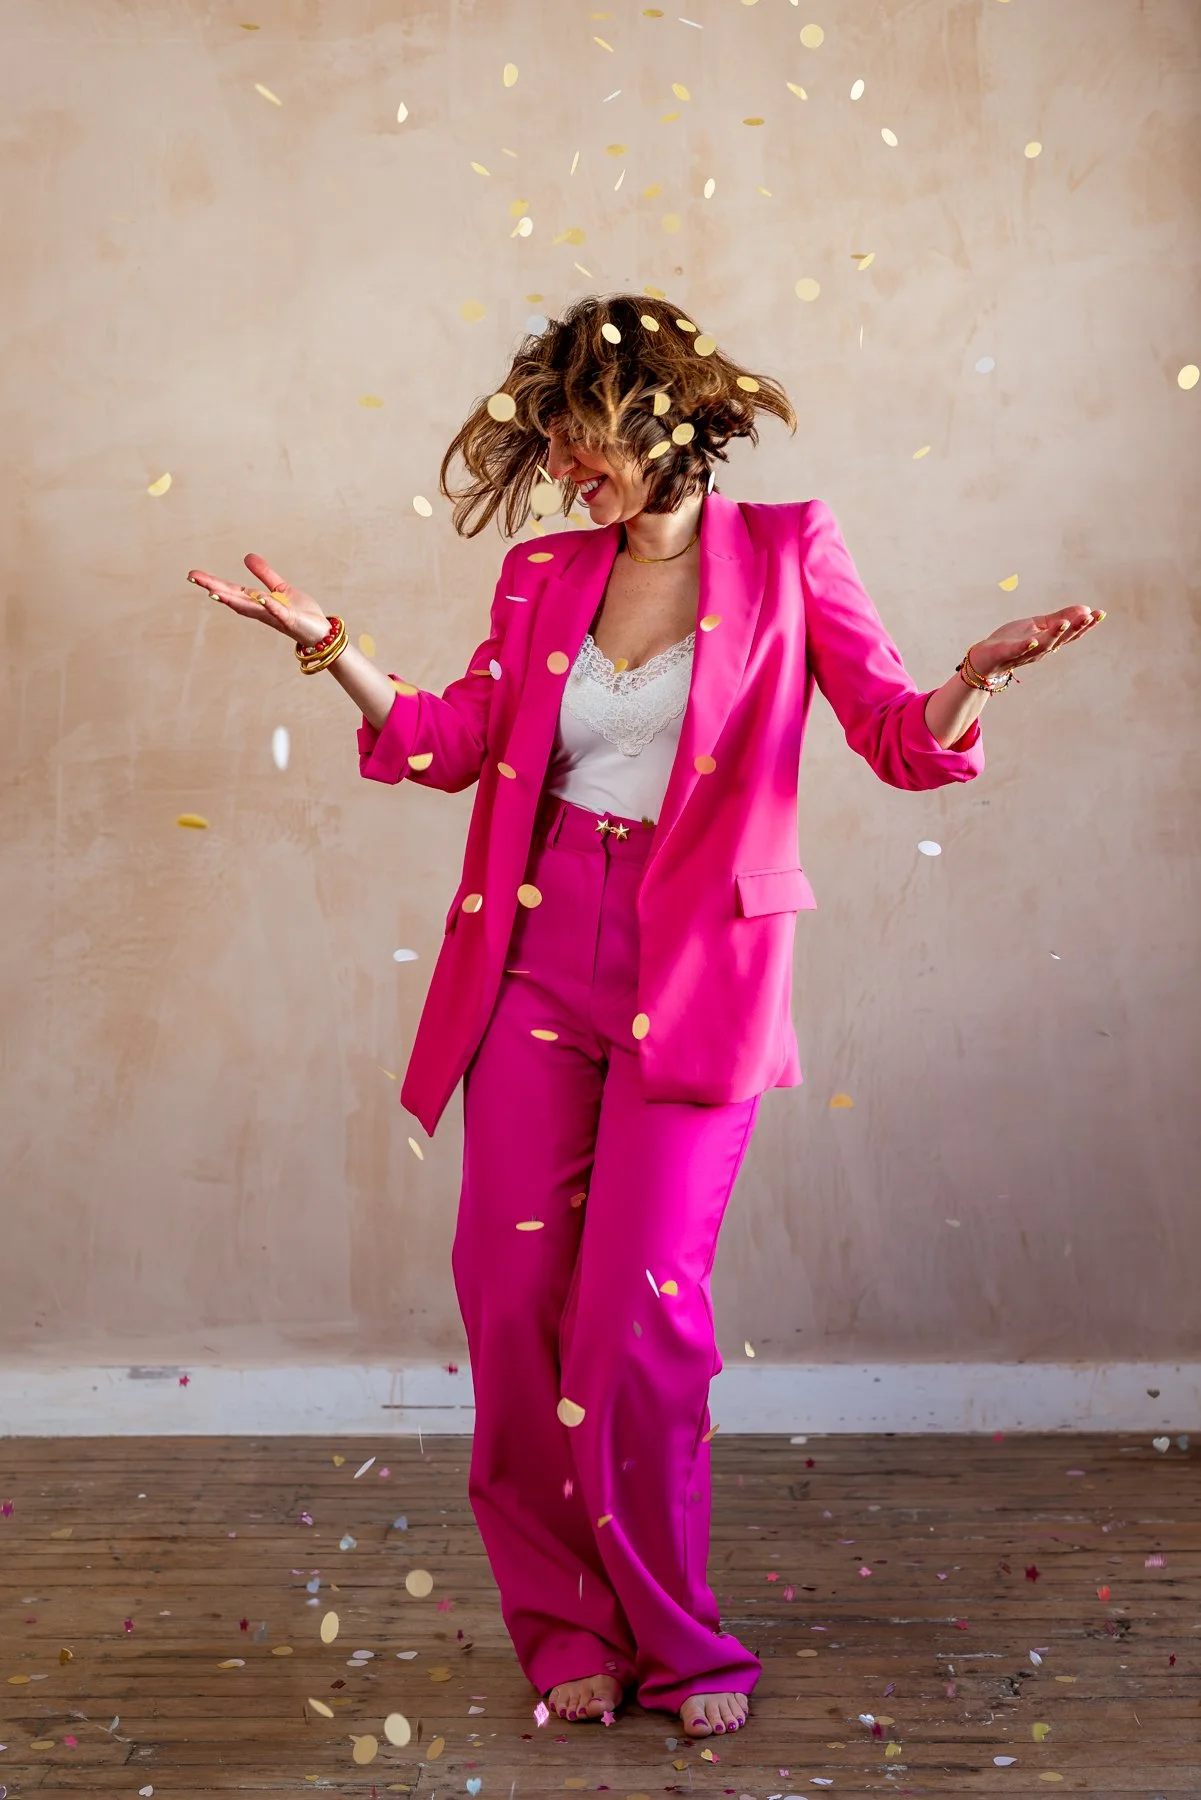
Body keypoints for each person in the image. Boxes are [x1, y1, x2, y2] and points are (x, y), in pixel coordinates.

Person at [187, 292, 1102, 1741]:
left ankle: (681, 1641)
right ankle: (566, 1630)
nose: (562, 463)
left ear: (667, 416)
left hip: (700, 970)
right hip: (538, 951)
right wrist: (330, 644)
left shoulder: (791, 551)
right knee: (511, 1303)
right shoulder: (544, 574)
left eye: (581, 431)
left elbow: (890, 739)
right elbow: (458, 739)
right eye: (548, 436)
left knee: (637, 1322)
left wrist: (970, 685)